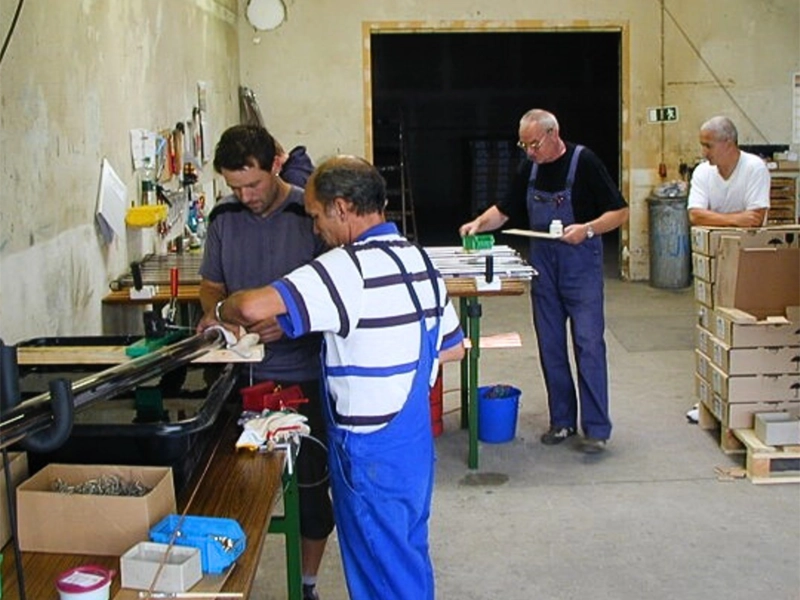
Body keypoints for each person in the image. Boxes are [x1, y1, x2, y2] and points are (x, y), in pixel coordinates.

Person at [204, 155, 466, 600]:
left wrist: (222, 309)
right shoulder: (418, 260)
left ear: (341, 208)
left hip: (369, 454)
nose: (314, 228)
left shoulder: (345, 267)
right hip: (412, 449)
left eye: (315, 215)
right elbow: (453, 347)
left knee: (380, 575)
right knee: (404, 555)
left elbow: (250, 308)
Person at [196, 124, 332, 600]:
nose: (246, 196)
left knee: (312, 493)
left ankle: (308, 584)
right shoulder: (224, 219)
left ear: (275, 164)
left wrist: (293, 321)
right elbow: (212, 284)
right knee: (232, 491)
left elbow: (336, 294)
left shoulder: (308, 215)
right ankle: (227, 580)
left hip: (303, 378)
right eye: (235, 187)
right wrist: (214, 316)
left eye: (252, 184)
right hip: (240, 378)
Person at [459, 108, 628, 454]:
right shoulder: (530, 168)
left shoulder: (585, 162)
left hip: (580, 268)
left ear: (554, 134)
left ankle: (596, 428)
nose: (530, 152)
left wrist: (588, 228)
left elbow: (620, 212)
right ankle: (562, 421)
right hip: (545, 270)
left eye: (534, 144)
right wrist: (478, 223)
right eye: (524, 145)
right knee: (551, 347)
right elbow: (504, 210)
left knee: (588, 345)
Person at [687, 116, 770, 227]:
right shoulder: (702, 171)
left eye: (708, 146)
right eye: (703, 146)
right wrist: (736, 219)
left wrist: (711, 217)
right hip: (713, 242)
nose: (704, 153)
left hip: (748, 242)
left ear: (728, 144)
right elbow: (695, 215)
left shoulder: (755, 167)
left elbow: (755, 219)